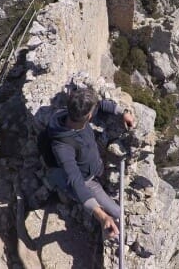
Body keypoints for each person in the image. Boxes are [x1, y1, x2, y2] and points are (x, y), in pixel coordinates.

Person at [45, 87, 135, 239]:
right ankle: (110, 234)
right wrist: (101, 216)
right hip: (87, 181)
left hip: (95, 167)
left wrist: (122, 112)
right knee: (117, 212)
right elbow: (75, 181)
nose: (95, 111)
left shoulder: (73, 116)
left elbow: (100, 105)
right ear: (89, 116)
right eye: (92, 111)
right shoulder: (62, 147)